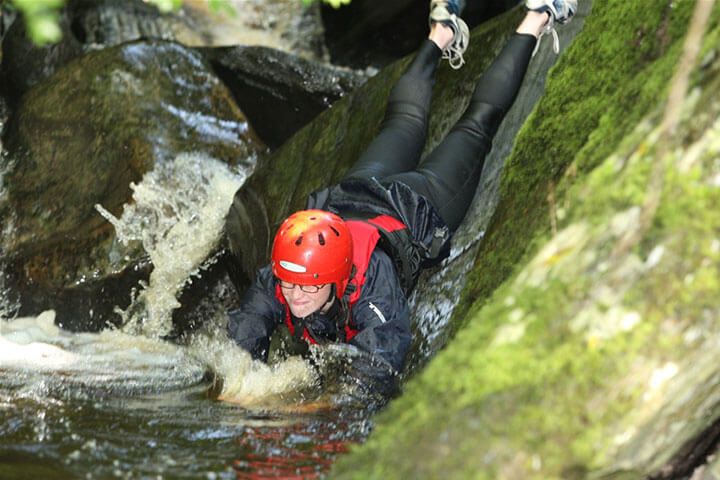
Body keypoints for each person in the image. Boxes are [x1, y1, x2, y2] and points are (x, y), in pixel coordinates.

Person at [227, 0, 577, 381]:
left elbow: (375, 371)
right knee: (402, 120)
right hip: (359, 191)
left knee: (477, 126)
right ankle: (441, 30)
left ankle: (539, 13)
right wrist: (242, 383)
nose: (293, 296)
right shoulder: (282, 275)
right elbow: (243, 339)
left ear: (337, 278)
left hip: (417, 205)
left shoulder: (372, 284)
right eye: (289, 283)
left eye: (306, 288)